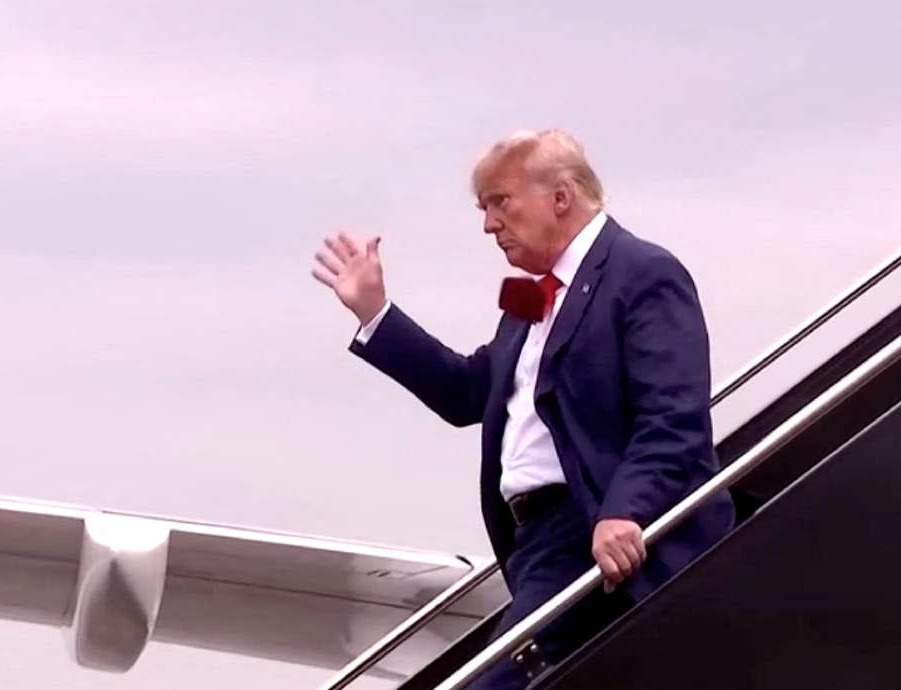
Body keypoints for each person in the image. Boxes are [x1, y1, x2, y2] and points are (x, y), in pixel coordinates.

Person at [312, 130, 733, 689]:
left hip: (587, 529)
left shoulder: (643, 274)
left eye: (499, 202)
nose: (489, 224)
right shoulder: (535, 302)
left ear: (560, 197)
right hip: (533, 546)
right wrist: (375, 313)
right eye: (484, 208)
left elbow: (674, 418)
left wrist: (623, 511)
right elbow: (466, 393)